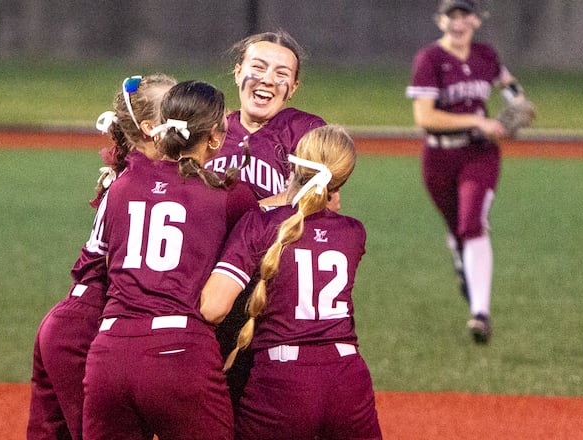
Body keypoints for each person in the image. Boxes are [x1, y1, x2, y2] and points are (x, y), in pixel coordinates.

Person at [82, 80, 258, 440]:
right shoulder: (229, 196)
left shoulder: (123, 186)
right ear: (214, 137)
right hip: (179, 354)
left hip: (108, 355)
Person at [200, 125, 383, 440]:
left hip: (282, 382)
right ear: (339, 182)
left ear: (293, 162)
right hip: (348, 379)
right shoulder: (354, 233)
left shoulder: (260, 223)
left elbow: (213, 307)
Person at [27, 73, 176, 440]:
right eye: (176, 112)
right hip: (87, 329)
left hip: (68, 323)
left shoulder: (129, 177)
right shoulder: (146, 187)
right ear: (151, 128)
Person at [203, 30, 330, 406]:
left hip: (270, 295)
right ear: (238, 70)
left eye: (281, 73)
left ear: (292, 87)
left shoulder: (304, 130)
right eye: (257, 67)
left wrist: (247, 213)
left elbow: (324, 197)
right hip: (209, 285)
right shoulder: (209, 129)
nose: (267, 80)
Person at [405, 0, 528, 344]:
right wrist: (477, 119)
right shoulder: (430, 59)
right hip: (439, 157)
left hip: (480, 154)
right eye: (451, 16)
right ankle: (462, 261)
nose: (458, 23)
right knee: (458, 231)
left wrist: (518, 101)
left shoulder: (485, 55)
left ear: (475, 20)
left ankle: (480, 313)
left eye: (464, 16)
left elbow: (508, 83)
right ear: (440, 21)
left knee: (472, 224)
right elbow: (424, 117)